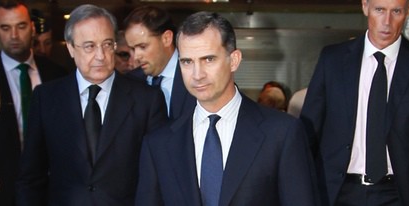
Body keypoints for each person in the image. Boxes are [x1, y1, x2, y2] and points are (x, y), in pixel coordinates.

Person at [135, 11, 318, 206]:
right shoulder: (159, 144)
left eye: (208, 59)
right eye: (187, 62)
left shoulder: (282, 133)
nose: (197, 74)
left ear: (234, 60)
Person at [300, 0, 409, 205]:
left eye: (396, 11)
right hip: (336, 193)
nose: (387, 22)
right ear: (365, 7)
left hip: (398, 195)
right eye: (379, 10)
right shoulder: (333, 60)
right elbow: (307, 135)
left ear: (408, 11)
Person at [16, 4, 168, 205]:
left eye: (107, 44)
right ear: (71, 48)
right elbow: (31, 176)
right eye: (89, 46)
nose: (100, 55)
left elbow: (158, 177)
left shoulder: (147, 100)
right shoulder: (46, 98)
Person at [0, 1, 66, 205]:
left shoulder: (57, 74)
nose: (14, 35)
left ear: (32, 28)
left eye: (21, 26)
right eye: (5, 27)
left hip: (52, 188)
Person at [123, 5, 196, 119]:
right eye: (132, 49)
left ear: (166, 38)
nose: (136, 56)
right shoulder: (129, 82)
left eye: (143, 46)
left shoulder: (197, 74)